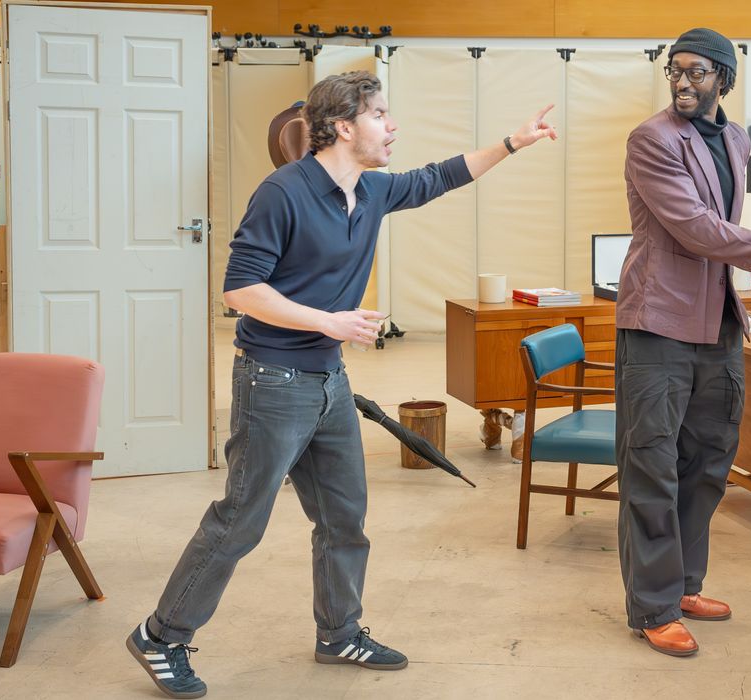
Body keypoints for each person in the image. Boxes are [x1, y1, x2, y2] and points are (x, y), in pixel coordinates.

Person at [127, 71, 557, 699]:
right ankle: (160, 636)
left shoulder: (373, 190)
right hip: (273, 381)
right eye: (382, 114)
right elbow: (240, 289)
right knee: (240, 520)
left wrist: (512, 143)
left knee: (344, 519)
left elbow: (442, 175)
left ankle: (339, 632)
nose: (393, 125)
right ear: (344, 126)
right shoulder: (284, 193)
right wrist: (326, 320)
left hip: (328, 381)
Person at [615, 27, 751, 657]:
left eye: (697, 71)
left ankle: (684, 585)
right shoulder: (652, 140)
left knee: (709, 462)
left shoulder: (736, 139)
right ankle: (653, 606)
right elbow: (695, 230)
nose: (683, 82)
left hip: (718, 321)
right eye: (675, 71)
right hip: (658, 321)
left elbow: (725, 225)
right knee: (653, 466)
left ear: (723, 78)